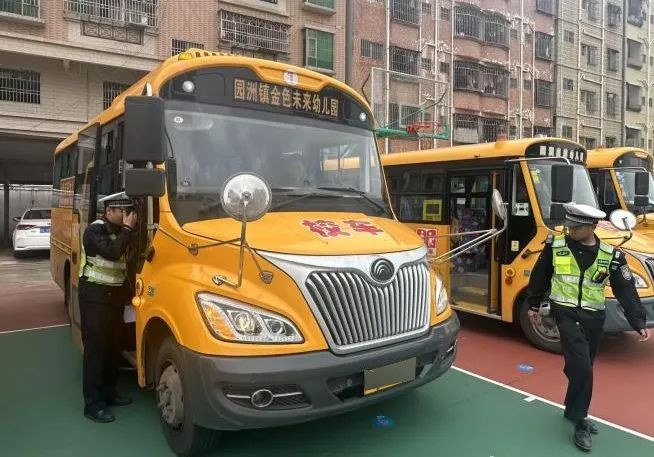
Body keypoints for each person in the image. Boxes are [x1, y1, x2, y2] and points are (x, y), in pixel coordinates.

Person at [527, 202, 650, 451]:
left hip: (594, 319)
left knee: (582, 366)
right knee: (583, 368)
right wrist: (533, 304)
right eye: (569, 225)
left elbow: (625, 289)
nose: (570, 230)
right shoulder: (555, 246)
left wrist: (638, 321)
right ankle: (580, 420)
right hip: (565, 314)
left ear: (592, 227)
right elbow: (540, 275)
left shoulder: (612, 255)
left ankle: (571, 408)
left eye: (576, 227)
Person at [79, 191, 138, 423]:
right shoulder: (95, 230)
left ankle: (109, 393)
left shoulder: (119, 231)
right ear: (109, 211)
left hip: (113, 300)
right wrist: (128, 229)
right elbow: (113, 253)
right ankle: (93, 406)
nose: (126, 216)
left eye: (128, 211)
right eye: (122, 211)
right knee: (95, 352)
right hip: (95, 299)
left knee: (113, 349)